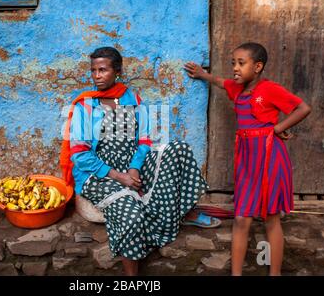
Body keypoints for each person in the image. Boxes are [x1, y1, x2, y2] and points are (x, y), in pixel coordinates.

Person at [60, 46, 220, 276]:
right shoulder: (85, 105)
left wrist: (134, 169)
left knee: (178, 149)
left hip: (131, 166)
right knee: (131, 214)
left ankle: (185, 211)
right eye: (93, 70)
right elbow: (79, 154)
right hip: (99, 174)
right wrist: (119, 176)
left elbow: (144, 140)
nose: (97, 75)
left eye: (103, 70)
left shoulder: (132, 99)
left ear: (117, 72)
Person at [184, 42, 311, 276]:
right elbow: (223, 83)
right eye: (233, 63)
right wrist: (203, 75)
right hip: (247, 161)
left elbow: (303, 108)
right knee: (242, 218)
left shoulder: (270, 89)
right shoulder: (237, 89)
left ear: (258, 66)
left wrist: (277, 127)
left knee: (271, 218)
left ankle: (275, 274)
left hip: (270, 157)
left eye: (241, 63)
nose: (235, 68)